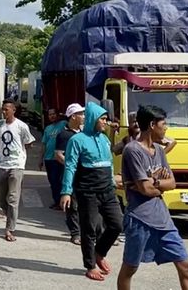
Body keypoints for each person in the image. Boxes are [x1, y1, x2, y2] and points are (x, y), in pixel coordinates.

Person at [116, 105, 188, 290]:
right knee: (130, 269)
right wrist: (156, 183)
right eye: (164, 123)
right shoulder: (133, 150)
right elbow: (145, 189)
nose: (166, 128)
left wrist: (156, 183)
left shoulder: (160, 151)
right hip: (139, 219)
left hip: (163, 219)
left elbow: (172, 183)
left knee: (186, 266)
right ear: (152, 125)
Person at [60, 102, 123, 282]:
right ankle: (90, 265)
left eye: (105, 119)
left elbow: (109, 163)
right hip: (87, 191)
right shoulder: (76, 140)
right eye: (102, 119)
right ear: (93, 119)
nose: (105, 122)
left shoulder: (104, 139)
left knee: (117, 224)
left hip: (107, 190)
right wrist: (66, 191)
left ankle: (99, 252)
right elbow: (70, 166)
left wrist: (112, 181)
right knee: (89, 229)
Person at [0, 99, 35, 242]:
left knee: (13, 198)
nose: (4, 112)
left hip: (16, 165)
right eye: (3, 109)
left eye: (6, 109)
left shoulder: (21, 126)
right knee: (0, 196)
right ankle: (10, 216)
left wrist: (19, 153)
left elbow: (29, 143)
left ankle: (9, 229)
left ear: (14, 110)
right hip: (2, 165)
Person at [55, 103, 85, 245]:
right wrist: (71, 166)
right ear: (73, 116)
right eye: (81, 114)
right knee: (72, 206)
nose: (83, 117)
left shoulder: (84, 133)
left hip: (85, 176)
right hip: (71, 176)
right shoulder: (64, 135)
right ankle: (75, 233)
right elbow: (58, 154)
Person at [112, 112, 177, 156]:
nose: (137, 124)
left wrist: (158, 156)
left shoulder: (148, 137)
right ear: (129, 124)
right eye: (134, 122)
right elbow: (114, 150)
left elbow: (172, 142)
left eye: (138, 122)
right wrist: (112, 132)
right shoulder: (127, 140)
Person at [39, 107, 66, 209]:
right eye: (50, 115)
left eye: (53, 114)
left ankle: (60, 202)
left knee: (58, 180)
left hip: (59, 158)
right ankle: (56, 201)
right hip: (48, 159)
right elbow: (44, 145)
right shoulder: (48, 128)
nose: (52, 116)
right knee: (52, 181)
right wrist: (40, 159)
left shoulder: (63, 124)